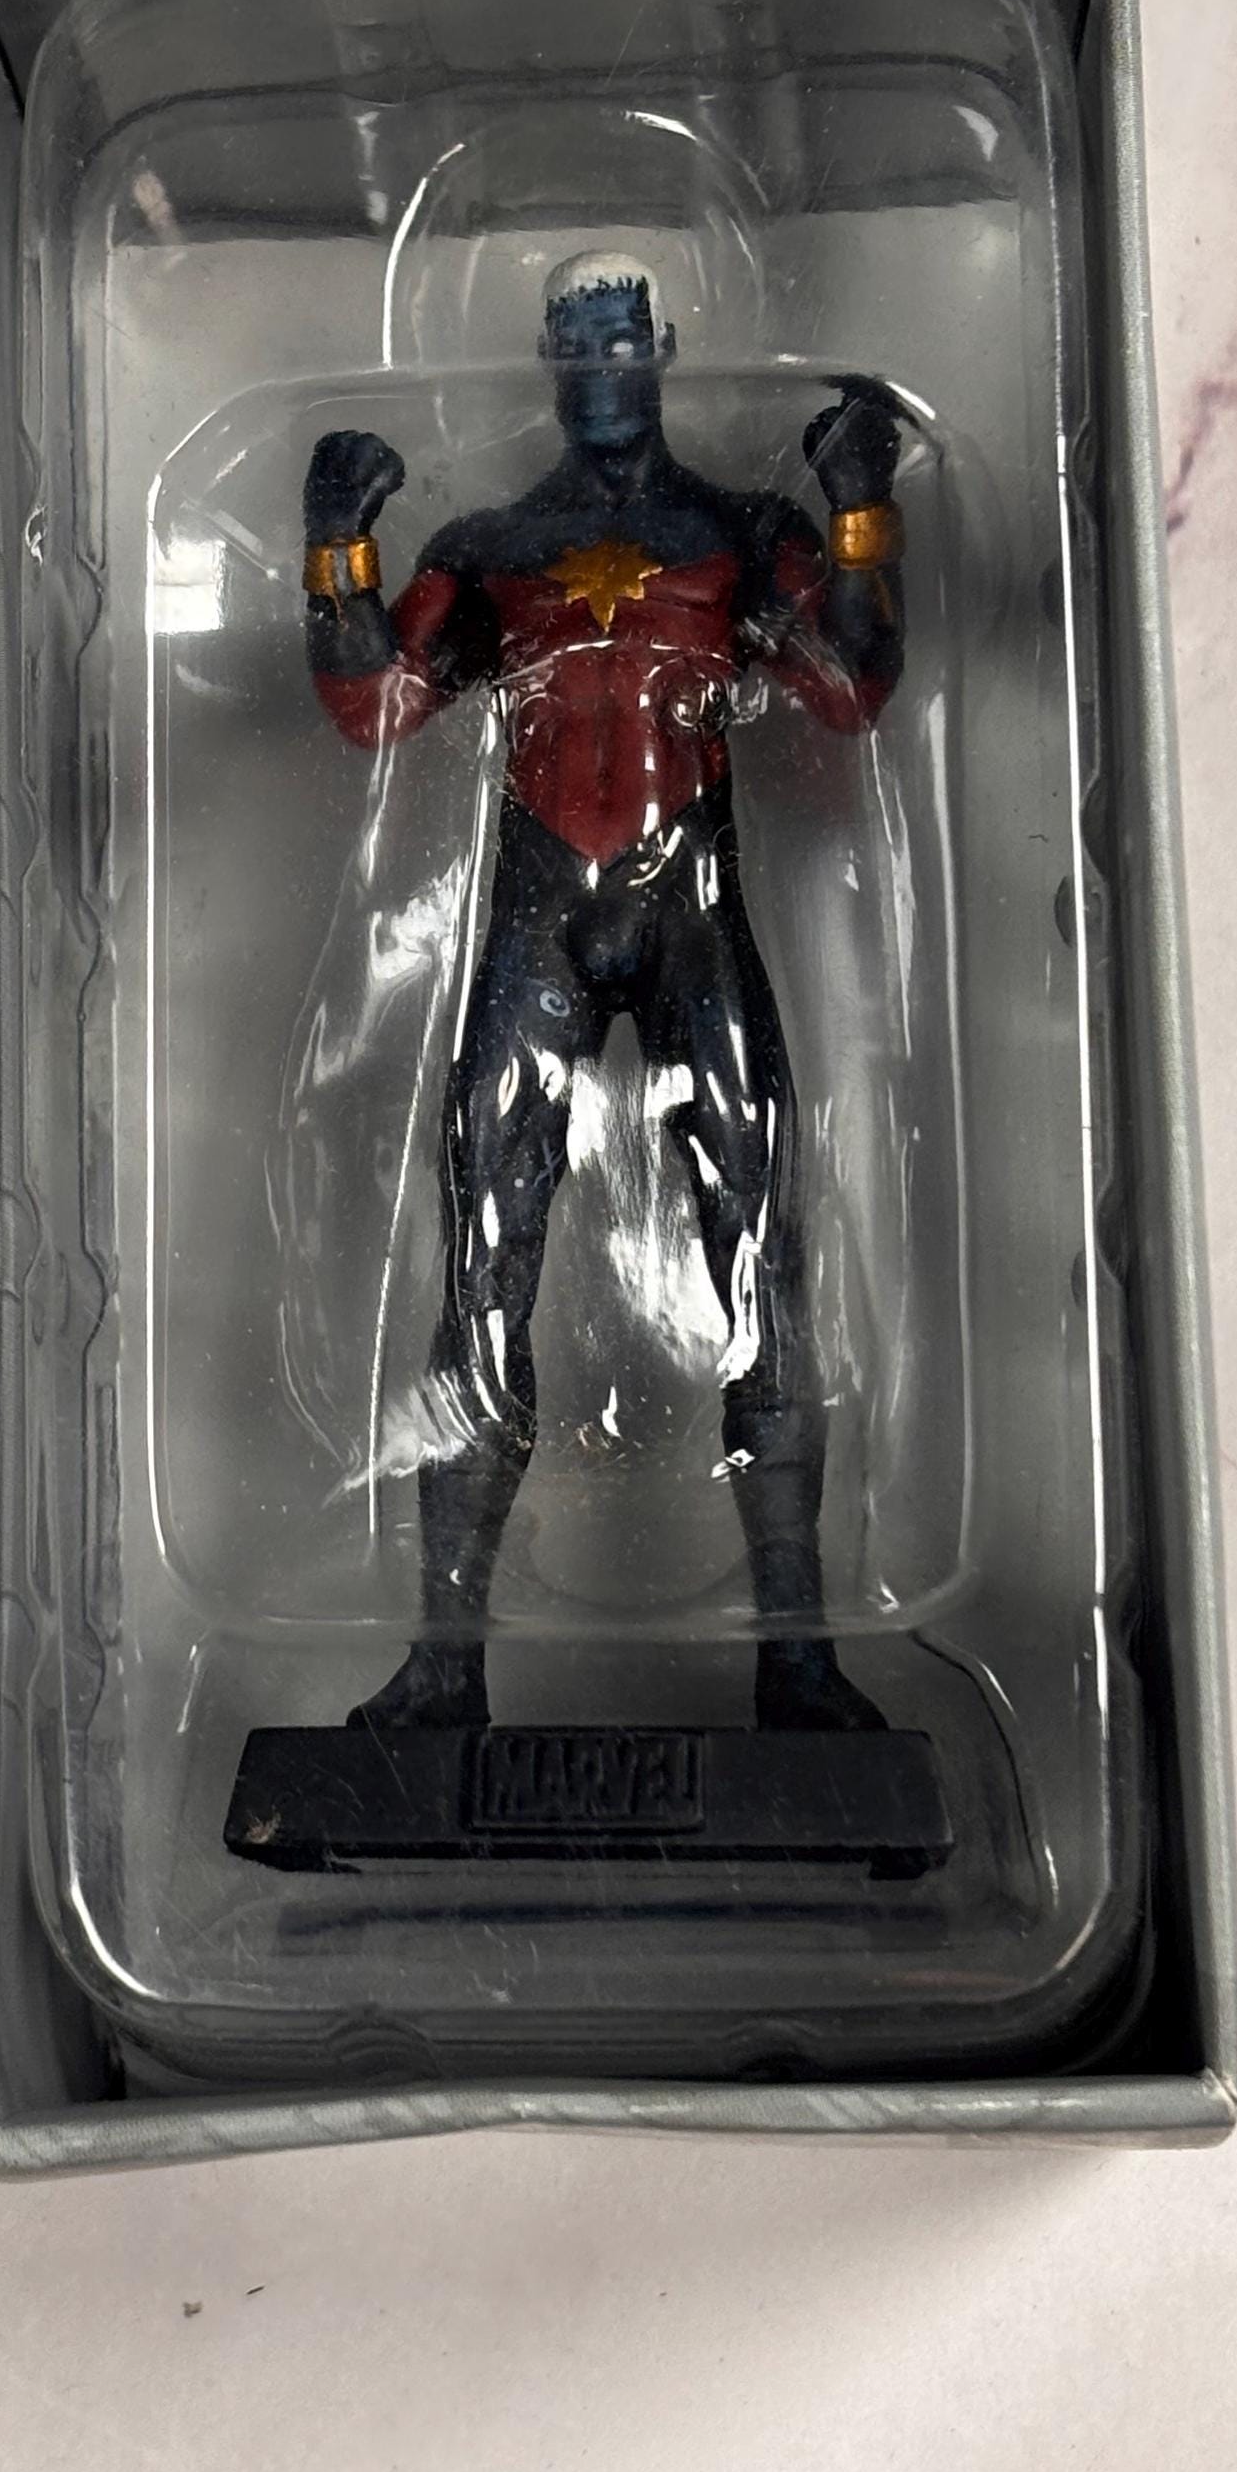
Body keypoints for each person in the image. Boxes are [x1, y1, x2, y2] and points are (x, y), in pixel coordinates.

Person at [301, 253, 905, 1732]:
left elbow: (850, 685)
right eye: (576, 342)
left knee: (759, 1267)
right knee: (483, 1272)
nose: (601, 365)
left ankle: (801, 1661)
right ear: (549, 360)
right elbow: (374, 706)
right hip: (536, 918)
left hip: (688, 913)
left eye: (621, 337)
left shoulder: (738, 532)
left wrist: (857, 510)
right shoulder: (494, 543)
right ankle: (444, 1668)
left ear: (662, 347)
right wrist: (336, 550)